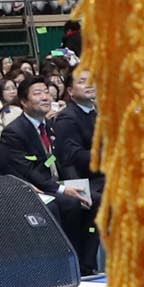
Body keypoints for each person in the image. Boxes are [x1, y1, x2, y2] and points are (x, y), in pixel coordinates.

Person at [0, 79, 100, 275]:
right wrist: (62, 189)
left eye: (46, 92)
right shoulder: (14, 132)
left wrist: (76, 185)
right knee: (70, 204)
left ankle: (87, 264)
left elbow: (61, 160)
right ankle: (67, 264)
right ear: (24, 102)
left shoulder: (50, 127)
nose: (45, 97)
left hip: (54, 184)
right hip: (30, 188)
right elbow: (27, 171)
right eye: (37, 93)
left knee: (95, 199)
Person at [55, 64, 104, 208]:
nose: (89, 85)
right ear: (70, 91)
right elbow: (74, 156)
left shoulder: (95, 113)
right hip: (85, 180)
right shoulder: (67, 118)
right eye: (82, 82)